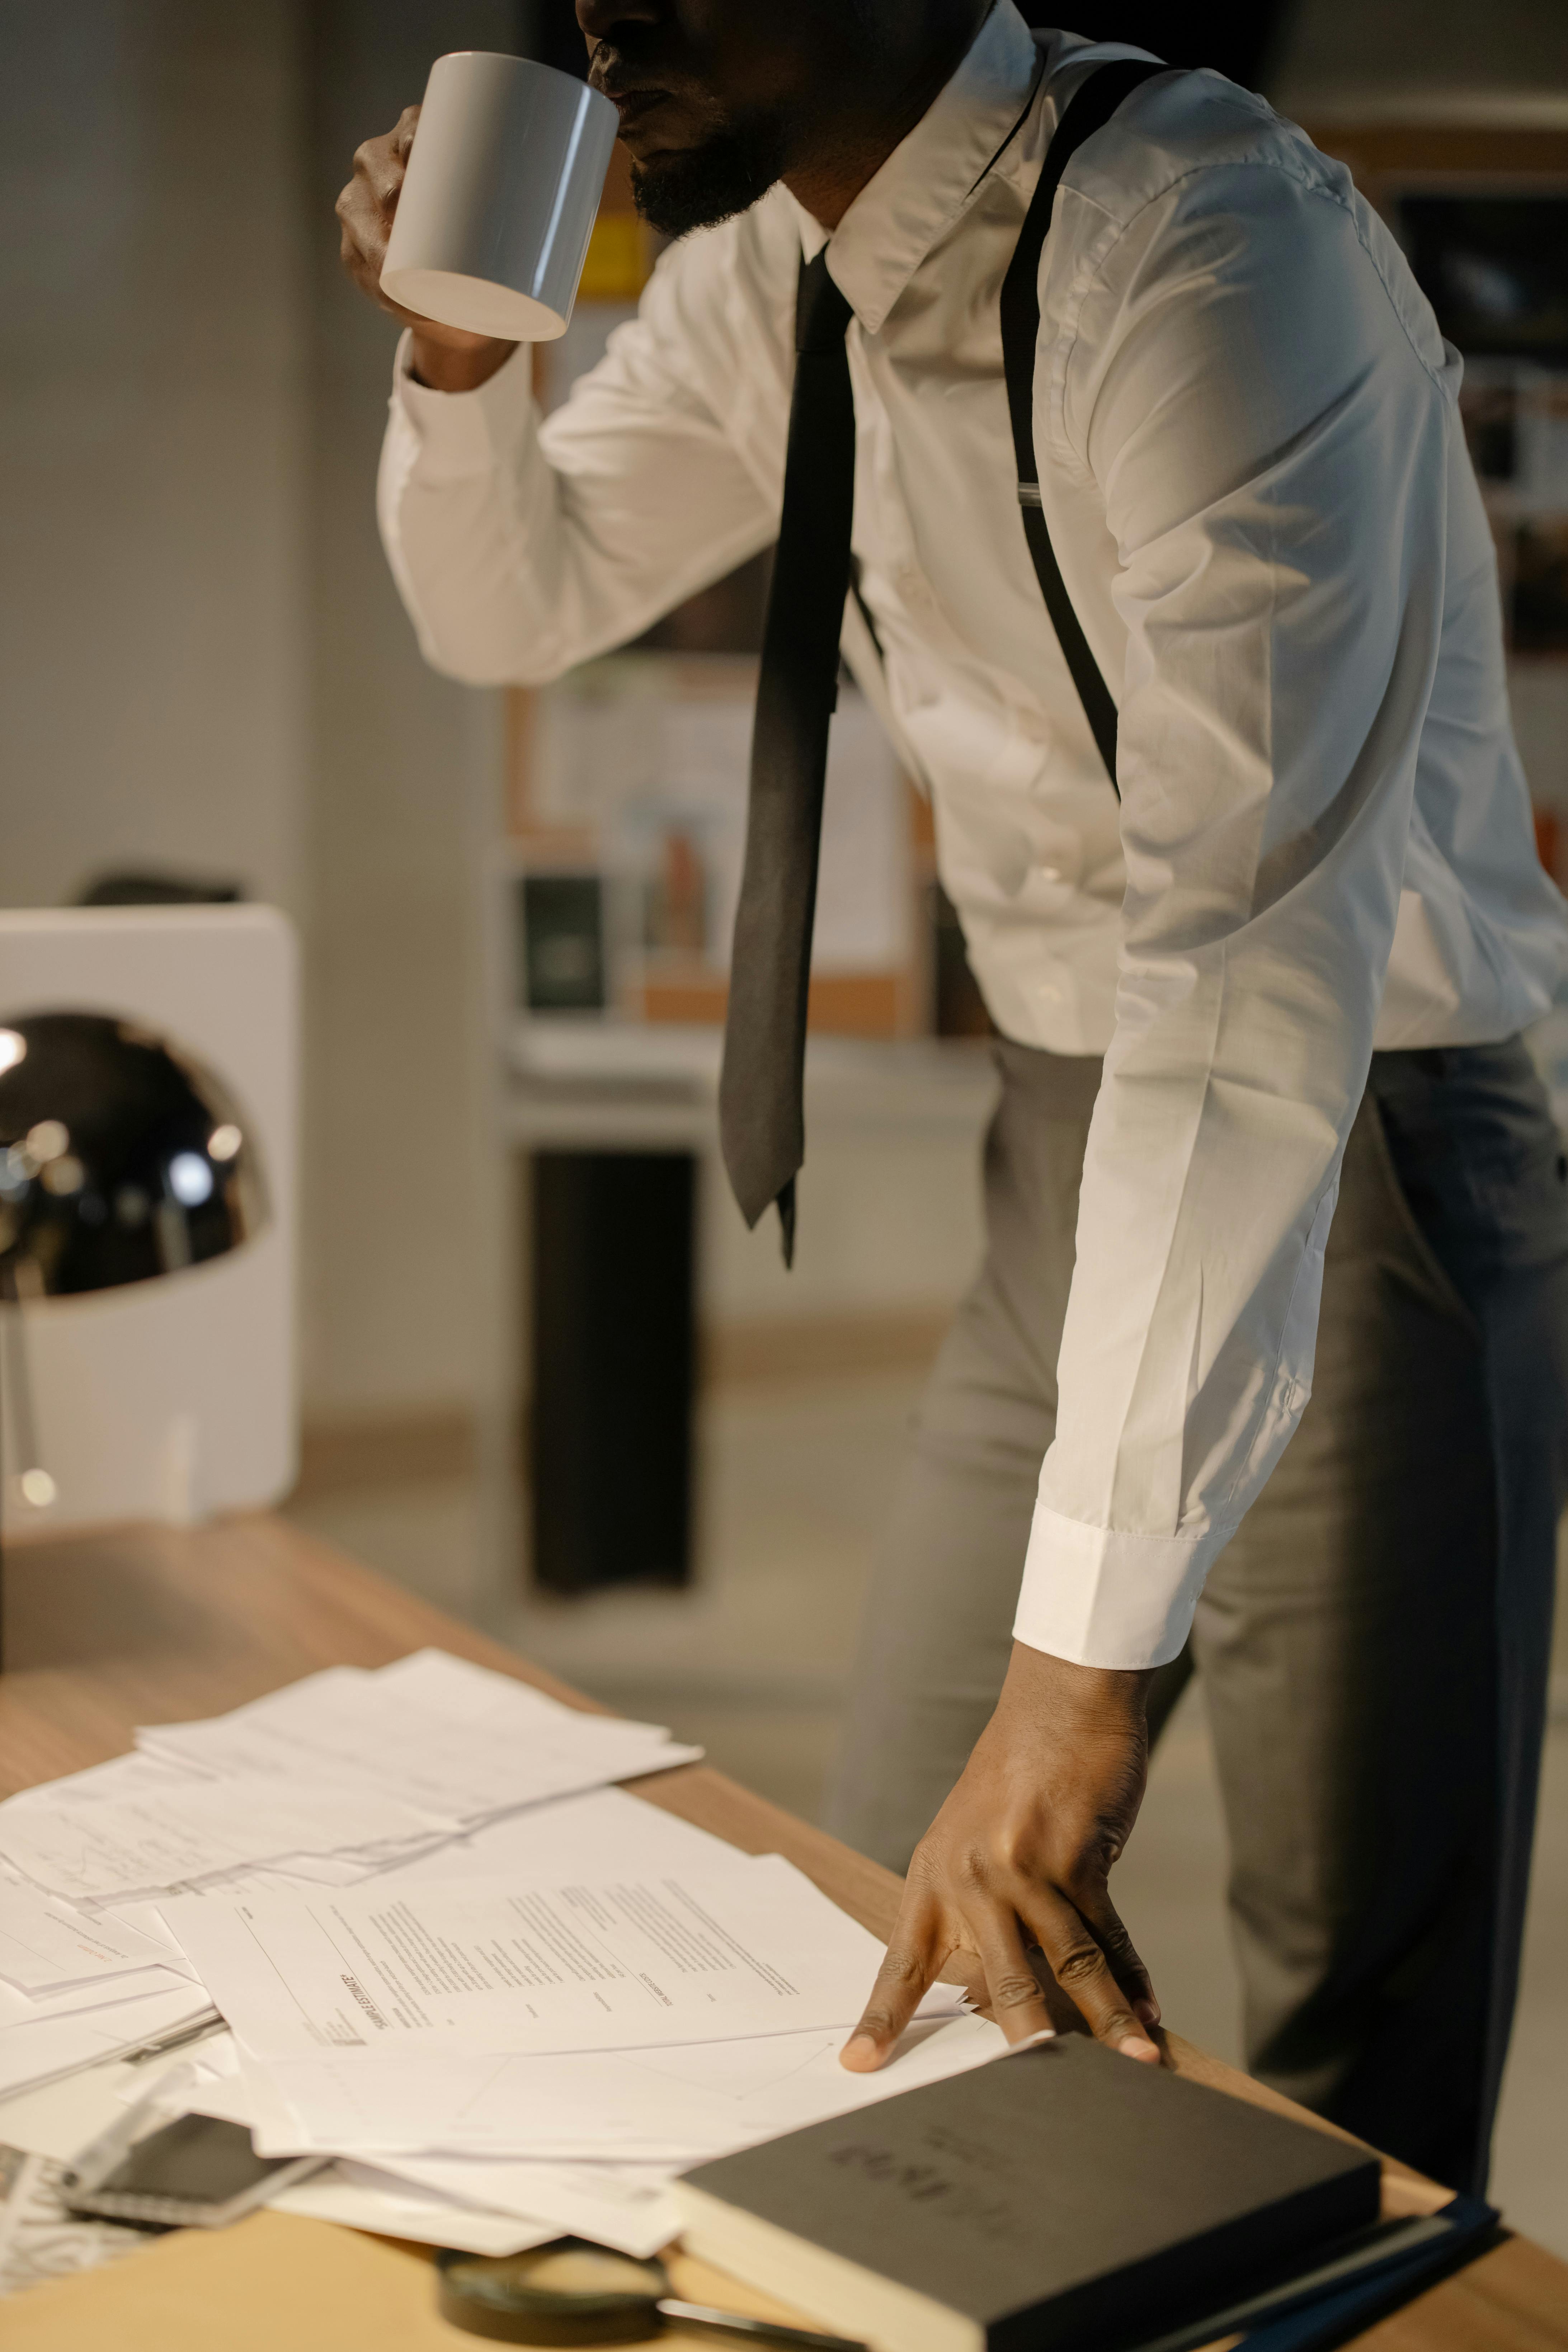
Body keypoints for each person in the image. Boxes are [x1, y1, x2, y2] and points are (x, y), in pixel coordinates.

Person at [339, 0, 1568, 2192]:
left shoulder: (1204, 250)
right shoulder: (758, 277)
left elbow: (1244, 971)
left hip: (1356, 1140)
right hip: (1053, 1133)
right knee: (880, 1898)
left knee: (1349, 2015)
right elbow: (505, 606)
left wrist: (1078, 1674)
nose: (601, 16)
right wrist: (455, 358)